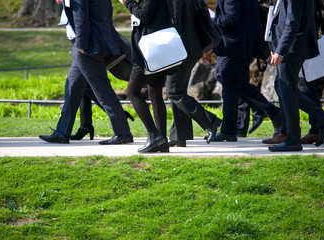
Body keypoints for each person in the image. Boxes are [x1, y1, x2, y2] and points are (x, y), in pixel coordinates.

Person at [39, 0, 133, 145]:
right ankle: (62, 133)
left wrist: (82, 46)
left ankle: (123, 132)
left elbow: (81, 18)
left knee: (102, 89)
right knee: (72, 87)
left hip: (88, 47)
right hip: (95, 44)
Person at [267, 0, 324, 151]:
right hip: (290, 46)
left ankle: (293, 139)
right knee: (283, 87)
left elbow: (292, 21)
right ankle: (323, 119)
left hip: (292, 48)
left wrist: (281, 50)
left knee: (286, 89)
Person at [212, 0, 282, 142]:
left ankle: (229, 130)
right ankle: (269, 111)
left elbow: (231, 18)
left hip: (236, 44)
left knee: (230, 83)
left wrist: (212, 20)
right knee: (229, 79)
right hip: (242, 44)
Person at [165, 0, 222, 148]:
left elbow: (175, 23)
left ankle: (210, 121)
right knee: (179, 91)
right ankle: (179, 135)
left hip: (181, 48)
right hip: (192, 47)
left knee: (173, 92)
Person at [120, 0, 174, 153]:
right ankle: (162, 141)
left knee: (132, 92)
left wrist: (127, 2)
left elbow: (144, 15)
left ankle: (154, 135)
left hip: (149, 51)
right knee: (155, 92)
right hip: (157, 49)